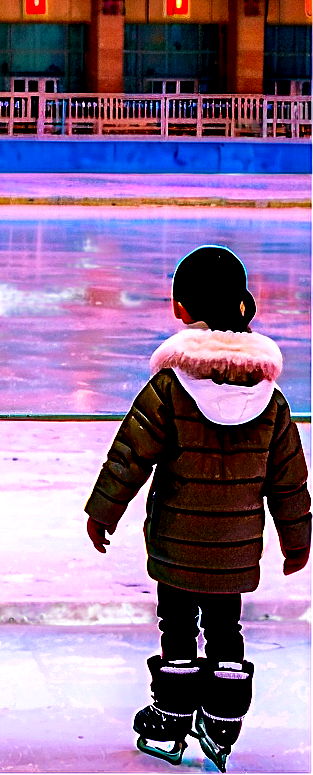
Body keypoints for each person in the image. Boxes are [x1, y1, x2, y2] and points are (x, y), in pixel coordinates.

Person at [85, 245, 310, 771]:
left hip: (175, 547)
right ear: (242, 305)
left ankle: (171, 715)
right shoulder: (271, 400)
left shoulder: (169, 387)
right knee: (227, 625)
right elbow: (290, 481)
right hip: (234, 554)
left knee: (178, 625)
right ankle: (225, 716)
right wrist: (297, 541)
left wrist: (103, 512)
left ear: (180, 310)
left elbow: (129, 456)